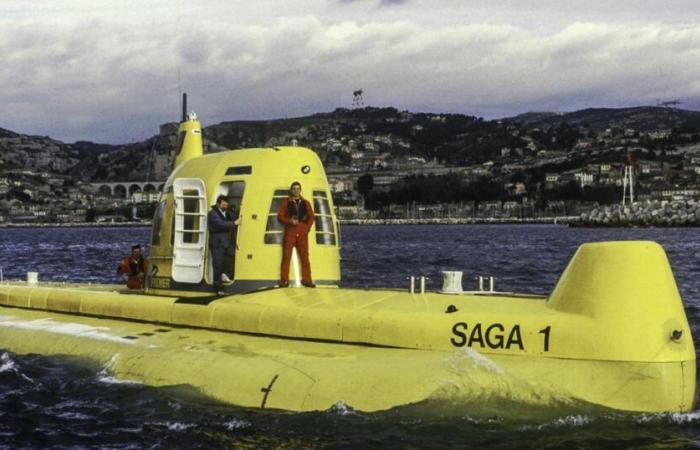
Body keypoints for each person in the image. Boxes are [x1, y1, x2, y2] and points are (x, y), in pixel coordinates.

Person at [277, 181, 315, 287]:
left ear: (300, 190)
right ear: (291, 190)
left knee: (305, 257)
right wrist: (289, 221)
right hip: (290, 231)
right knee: (286, 257)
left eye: (298, 188)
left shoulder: (306, 202)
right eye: (294, 189)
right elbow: (280, 216)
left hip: (302, 231)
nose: (296, 190)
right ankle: (284, 281)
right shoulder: (286, 202)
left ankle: (307, 280)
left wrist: (307, 228)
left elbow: (311, 217)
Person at [208, 194, 240, 295]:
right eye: (223, 205)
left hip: (225, 242)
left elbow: (233, 217)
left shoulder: (226, 212)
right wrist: (234, 223)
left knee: (232, 256)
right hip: (217, 243)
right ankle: (218, 289)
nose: (225, 206)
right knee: (217, 265)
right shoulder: (212, 213)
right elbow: (220, 224)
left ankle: (225, 275)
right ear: (218, 204)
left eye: (226, 205)